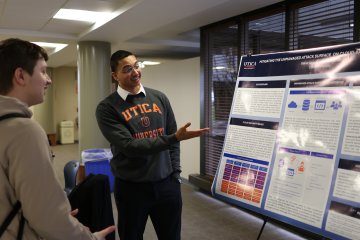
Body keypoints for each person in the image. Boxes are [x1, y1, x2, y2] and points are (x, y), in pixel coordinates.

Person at [0, 38, 115, 239]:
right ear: (20, 76)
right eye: (43, 71)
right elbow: (46, 217)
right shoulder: (24, 132)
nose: (49, 79)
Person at [96, 50, 209, 240]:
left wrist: (175, 174)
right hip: (132, 189)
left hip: (166, 185)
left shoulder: (159, 98)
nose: (135, 72)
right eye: (127, 69)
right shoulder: (107, 108)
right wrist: (173, 138)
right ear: (115, 76)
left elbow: (172, 136)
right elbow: (130, 146)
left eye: (136, 66)